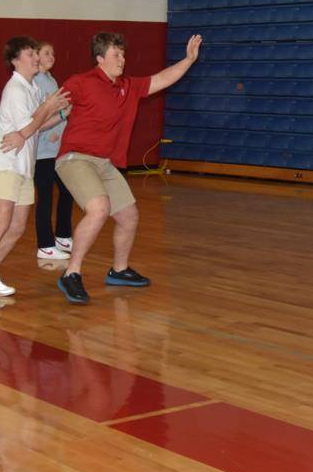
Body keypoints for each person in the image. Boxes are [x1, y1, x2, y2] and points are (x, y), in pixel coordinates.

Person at [53, 32, 203, 304]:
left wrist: (188, 60)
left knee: (129, 216)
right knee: (99, 210)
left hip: (105, 163)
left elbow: (161, 79)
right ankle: (71, 273)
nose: (122, 60)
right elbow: (52, 107)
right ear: (100, 58)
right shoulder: (80, 82)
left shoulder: (128, 86)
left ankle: (119, 270)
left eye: (123, 54)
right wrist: (27, 131)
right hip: (76, 158)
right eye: (116, 55)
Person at [0, 37, 69, 310]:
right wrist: (47, 109)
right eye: (30, 53)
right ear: (15, 60)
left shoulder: (31, 88)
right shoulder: (15, 89)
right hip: (7, 165)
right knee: (1, 224)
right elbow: (27, 127)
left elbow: (35, 127)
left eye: (36, 52)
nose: (36, 57)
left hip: (25, 167)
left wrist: (62, 114)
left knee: (17, 226)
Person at [32, 41, 75, 261]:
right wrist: (57, 119)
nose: (52, 56)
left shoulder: (51, 80)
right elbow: (37, 117)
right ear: (36, 56)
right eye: (47, 52)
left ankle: (63, 235)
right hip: (41, 152)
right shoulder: (35, 83)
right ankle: (45, 244)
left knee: (68, 190)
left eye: (53, 52)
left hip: (56, 149)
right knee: (46, 196)